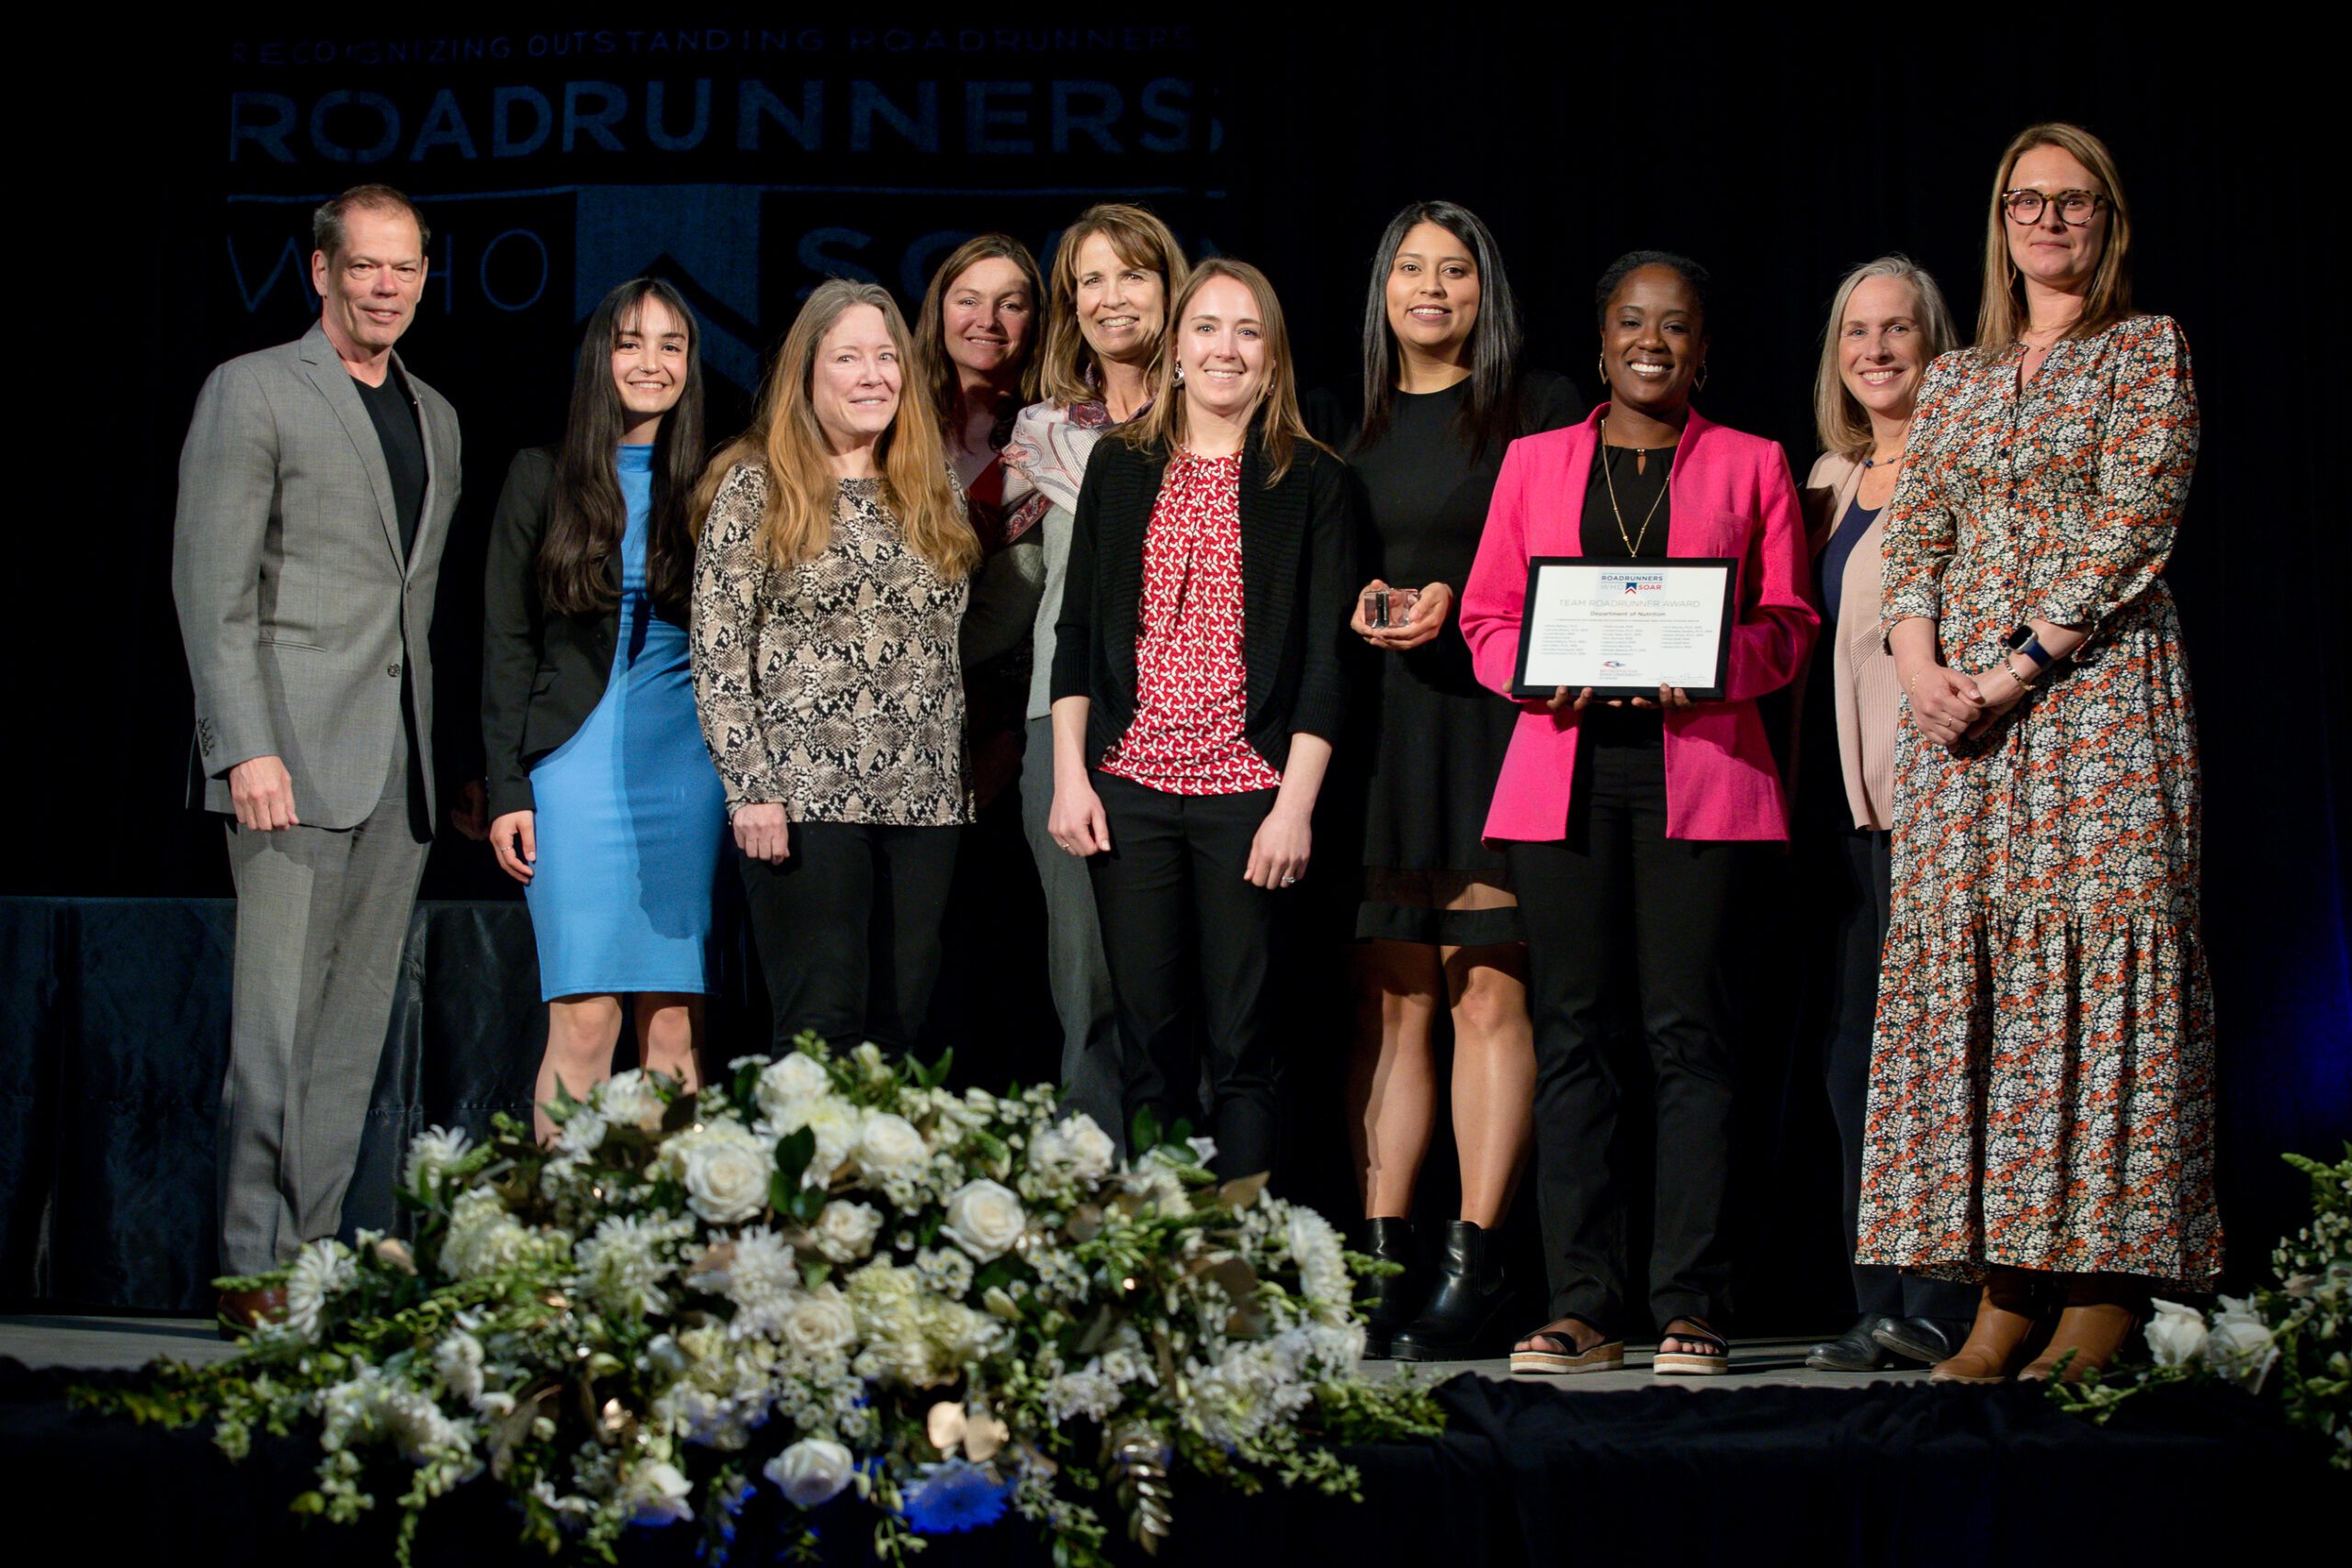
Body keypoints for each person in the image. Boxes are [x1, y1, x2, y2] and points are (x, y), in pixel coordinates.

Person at [1858, 123, 2217, 1383]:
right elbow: (1918, 535)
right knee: (1985, 975)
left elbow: (2134, 524)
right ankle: (2004, 1291)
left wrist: (2015, 669)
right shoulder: (1956, 378)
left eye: (2074, 201)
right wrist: (1919, 667)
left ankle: (2101, 1288)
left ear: (2108, 221)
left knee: (2094, 958)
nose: (2049, 220)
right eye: (2027, 200)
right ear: (2003, 221)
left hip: (2096, 704)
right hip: (1957, 723)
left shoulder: (2146, 351)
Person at [1461, 252, 1815, 1376]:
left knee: (1688, 1040)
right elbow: (1485, 618)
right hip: (1565, 772)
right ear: (1602, 338)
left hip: (1698, 774)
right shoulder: (1533, 462)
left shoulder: (1752, 463)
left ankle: (1693, 1306)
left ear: (1701, 349)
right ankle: (1582, 1304)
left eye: (1673, 325)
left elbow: (1791, 622)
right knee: (1573, 1036)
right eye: (1630, 321)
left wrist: (1712, 666)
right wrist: (1532, 669)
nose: (1650, 341)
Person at [170, 185, 464, 1324]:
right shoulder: (253, 390)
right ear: (321, 271)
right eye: (366, 267)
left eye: (406, 269)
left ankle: (316, 1261)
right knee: (276, 1029)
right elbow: (211, 586)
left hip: (397, 768)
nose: (386, 287)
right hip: (286, 756)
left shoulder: (437, 415)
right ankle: (253, 1262)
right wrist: (243, 745)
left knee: (349, 1037)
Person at [1047, 258, 1356, 1183]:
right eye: (1208, 329)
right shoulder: (1120, 462)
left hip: (1246, 795)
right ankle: (1163, 1266)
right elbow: (1075, 633)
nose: (1226, 349)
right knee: (1150, 1043)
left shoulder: (1311, 481)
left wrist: (1292, 808)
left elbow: (1323, 666)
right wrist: (1072, 775)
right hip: (1130, 788)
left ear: (1271, 358)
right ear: (1175, 347)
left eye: (1247, 331)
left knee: (1245, 1046)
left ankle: (1244, 1273)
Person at [1340, 200, 1585, 1360]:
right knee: (1394, 1000)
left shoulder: (1535, 412)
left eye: (1454, 270)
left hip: (1496, 722)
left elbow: (1589, 562)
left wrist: (1468, 608)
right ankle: (1383, 1268)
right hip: (1384, 732)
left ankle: (1474, 1266)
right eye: (1410, 270)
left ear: (1485, 291)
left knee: (1487, 989)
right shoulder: (1346, 420)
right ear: (1382, 289)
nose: (1429, 289)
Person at [690, 280, 978, 1053]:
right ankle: (807, 1179)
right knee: (821, 1030)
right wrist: (752, 790)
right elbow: (718, 651)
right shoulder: (757, 485)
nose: (872, 375)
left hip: (925, 803)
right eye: (848, 357)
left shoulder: (932, 487)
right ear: (808, 372)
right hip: (804, 799)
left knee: (899, 1031)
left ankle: (877, 1181)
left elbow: (953, 641)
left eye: (886, 357)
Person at [1790, 257, 1980, 1371]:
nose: (1876, 350)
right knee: (1851, 1061)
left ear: (1934, 340)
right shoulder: (1827, 478)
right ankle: (1875, 1300)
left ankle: (1944, 1305)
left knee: (1938, 1058)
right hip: (1844, 820)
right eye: (1856, 331)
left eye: (1898, 329)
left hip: (1942, 805)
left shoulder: (1965, 465)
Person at [481, 277, 726, 1140]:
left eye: (672, 344)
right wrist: (507, 787)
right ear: (600, 357)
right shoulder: (538, 475)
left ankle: (666, 1250)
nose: (651, 361)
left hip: (690, 769)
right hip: (572, 770)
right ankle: (564, 1248)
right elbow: (506, 644)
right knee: (584, 1020)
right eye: (630, 341)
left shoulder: (720, 479)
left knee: (672, 1024)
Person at [998, 205, 1190, 1146]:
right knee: (1089, 973)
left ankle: (1191, 1189)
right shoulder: (1040, 438)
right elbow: (1010, 596)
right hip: (1062, 723)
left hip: (1202, 724)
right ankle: (1094, 1190)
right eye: (1090, 281)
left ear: (1170, 286)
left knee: (1188, 969)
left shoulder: (1223, 414)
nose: (1113, 298)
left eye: (1133, 275)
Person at [913, 235, 1047, 807]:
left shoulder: (1055, 437)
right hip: (889, 711)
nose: (987, 320)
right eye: (968, 300)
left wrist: (1010, 736)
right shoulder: (891, 425)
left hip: (1005, 728)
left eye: (1010, 304)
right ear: (938, 312)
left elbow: (1030, 602)